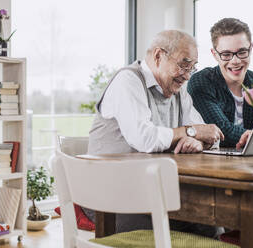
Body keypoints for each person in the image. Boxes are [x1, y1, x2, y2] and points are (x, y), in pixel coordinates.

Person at [85, 30, 224, 237]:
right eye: (184, 65)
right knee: (200, 228)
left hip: (150, 192)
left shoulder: (178, 89)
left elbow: (206, 133)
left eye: (192, 68)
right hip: (110, 196)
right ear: (159, 56)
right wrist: (189, 132)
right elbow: (145, 138)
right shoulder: (128, 80)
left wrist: (198, 142)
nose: (187, 75)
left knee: (215, 224)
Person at [187, 18, 253, 149]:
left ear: (250, 48)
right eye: (226, 54)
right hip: (213, 164)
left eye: (242, 52)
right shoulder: (201, 82)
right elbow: (222, 131)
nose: (235, 61)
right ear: (215, 54)